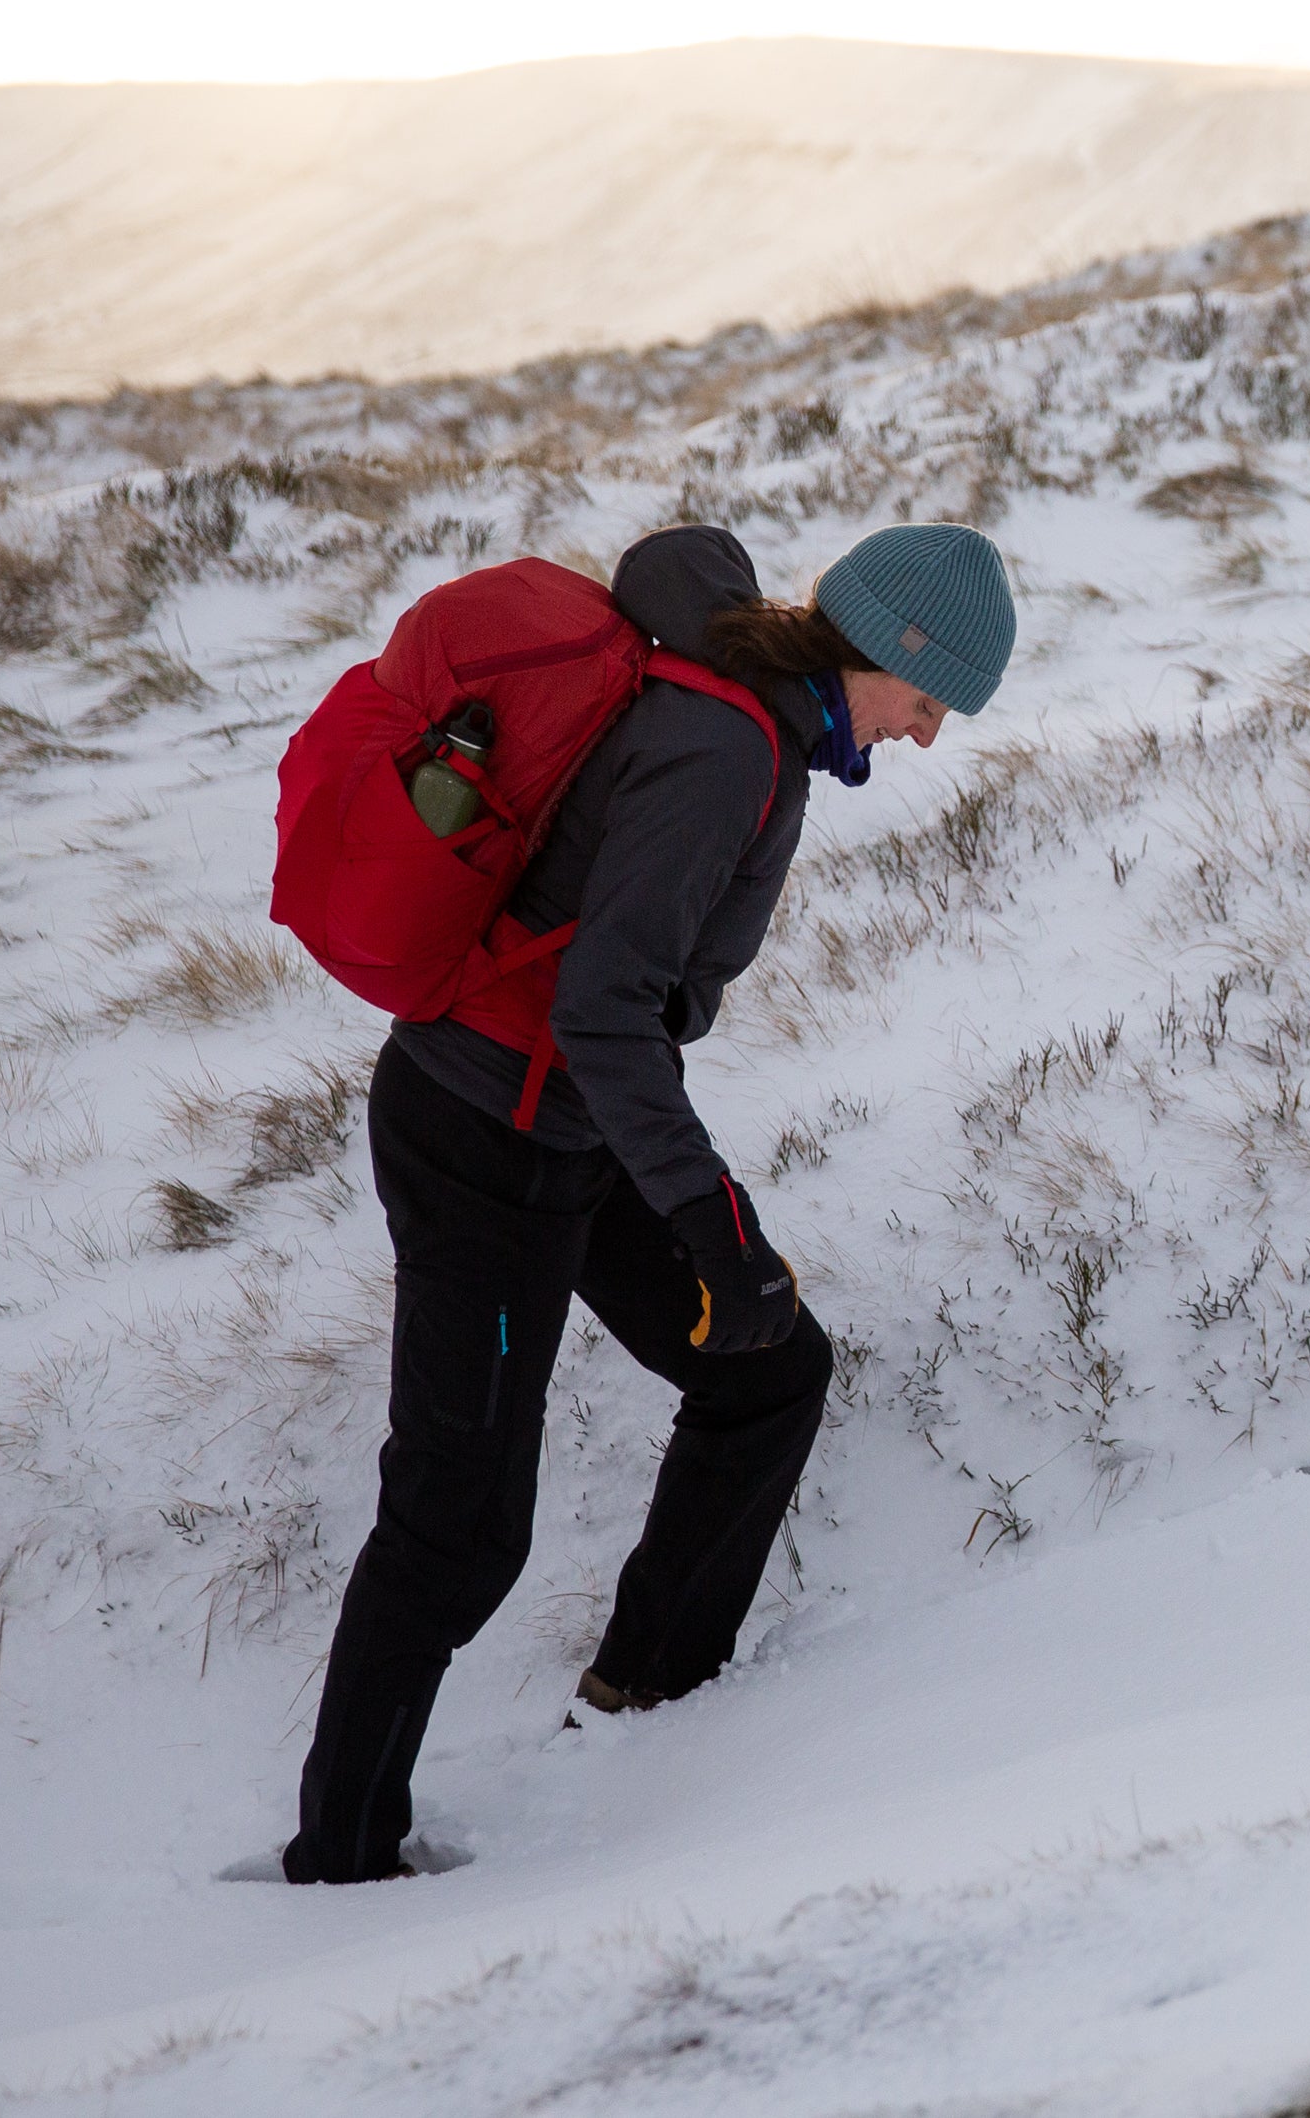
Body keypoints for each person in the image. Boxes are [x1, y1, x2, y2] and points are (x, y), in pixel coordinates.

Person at [281, 519, 1014, 1884]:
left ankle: (652, 1715)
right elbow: (605, 1010)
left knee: (768, 1370)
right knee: (460, 1528)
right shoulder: (724, 748)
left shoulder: (758, 735)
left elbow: (610, 1021)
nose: (928, 737)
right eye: (934, 701)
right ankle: (339, 1861)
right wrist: (709, 1224)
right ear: (890, 656)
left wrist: (712, 1240)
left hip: (560, 1125)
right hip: (482, 1141)